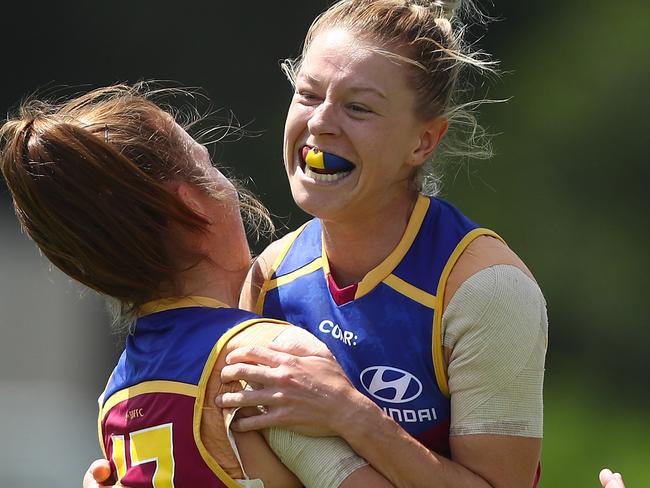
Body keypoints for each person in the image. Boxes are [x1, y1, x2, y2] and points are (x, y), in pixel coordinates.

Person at [214, 0, 548, 487]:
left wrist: (348, 412)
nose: (321, 122)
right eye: (308, 95)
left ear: (423, 141)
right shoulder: (270, 278)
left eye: (358, 107)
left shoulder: (485, 290)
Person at [0, 84, 393, 488]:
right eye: (209, 165)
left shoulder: (114, 400)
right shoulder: (262, 360)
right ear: (190, 204)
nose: (230, 186)